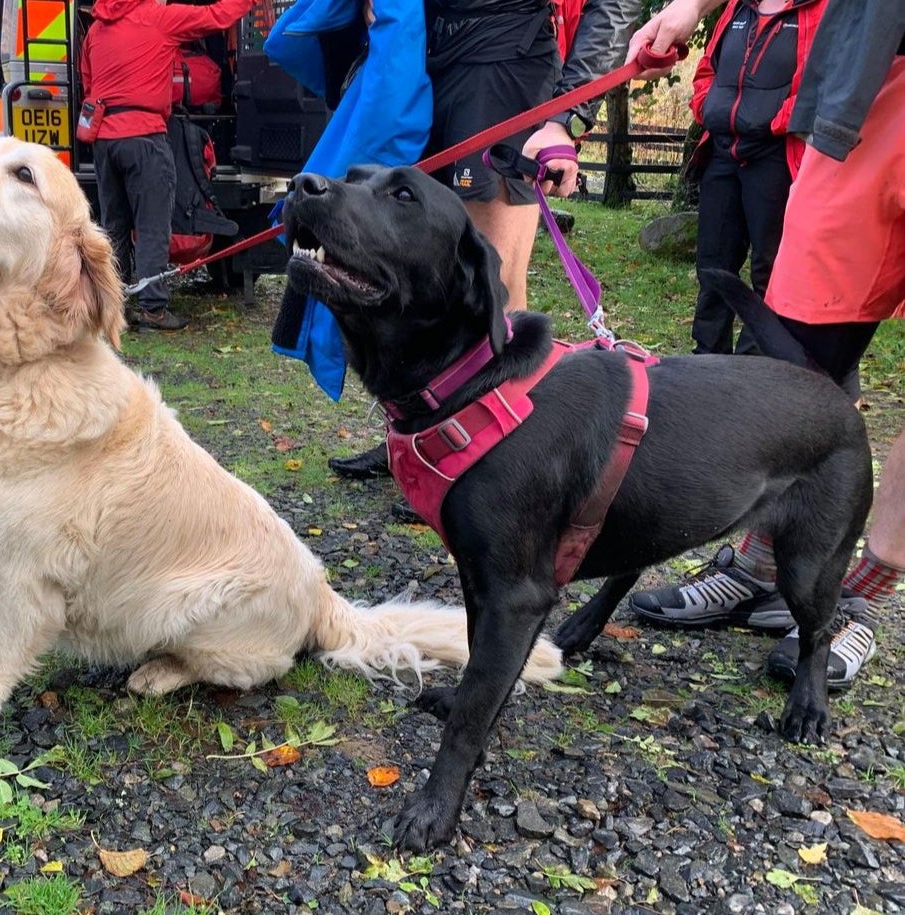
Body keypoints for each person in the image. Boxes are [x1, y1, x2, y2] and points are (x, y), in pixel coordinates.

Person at [625, 0, 905, 689]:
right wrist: (691, 5)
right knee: (792, 348)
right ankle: (758, 561)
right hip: (868, 87)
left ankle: (862, 591)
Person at [331, 0, 640, 481]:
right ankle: (417, 437)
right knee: (411, 270)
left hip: (507, 66)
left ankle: (488, 460)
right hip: (421, 57)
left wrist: (568, 113)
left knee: (495, 283)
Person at [79, 0, 256, 332]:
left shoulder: (96, 29)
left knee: (114, 224)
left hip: (104, 138)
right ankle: (153, 310)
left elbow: (88, 84)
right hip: (145, 135)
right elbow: (215, 16)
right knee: (152, 225)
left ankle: (114, 306)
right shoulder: (158, 18)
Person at [687, 0, 826, 356]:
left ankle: (755, 366)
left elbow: (824, 80)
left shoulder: (819, 10)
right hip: (721, 153)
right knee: (713, 267)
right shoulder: (736, 7)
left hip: (775, 156)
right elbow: (707, 70)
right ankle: (707, 362)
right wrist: (708, 107)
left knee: (770, 268)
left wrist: (777, 121)